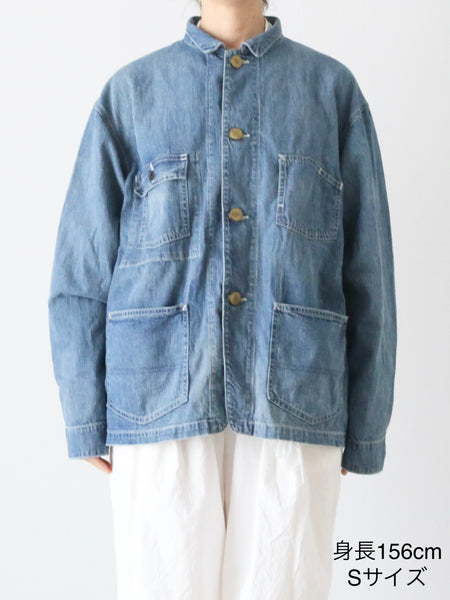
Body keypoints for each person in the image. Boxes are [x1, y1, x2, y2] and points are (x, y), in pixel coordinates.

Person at [48, 0, 397, 598]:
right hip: (158, 402)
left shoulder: (331, 91)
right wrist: (85, 412)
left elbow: (370, 271)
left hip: (295, 401)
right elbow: (81, 270)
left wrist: (366, 424)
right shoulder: (131, 94)